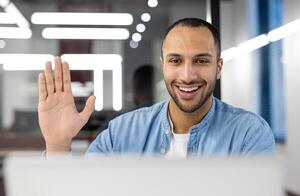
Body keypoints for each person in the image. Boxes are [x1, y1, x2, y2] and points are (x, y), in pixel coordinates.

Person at [38, 18, 275, 157]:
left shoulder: (249, 134)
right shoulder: (120, 134)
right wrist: (58, 145)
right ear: (163, 66)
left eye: (201, 60)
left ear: (219, 67)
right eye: (175, 60)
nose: (187, 75)